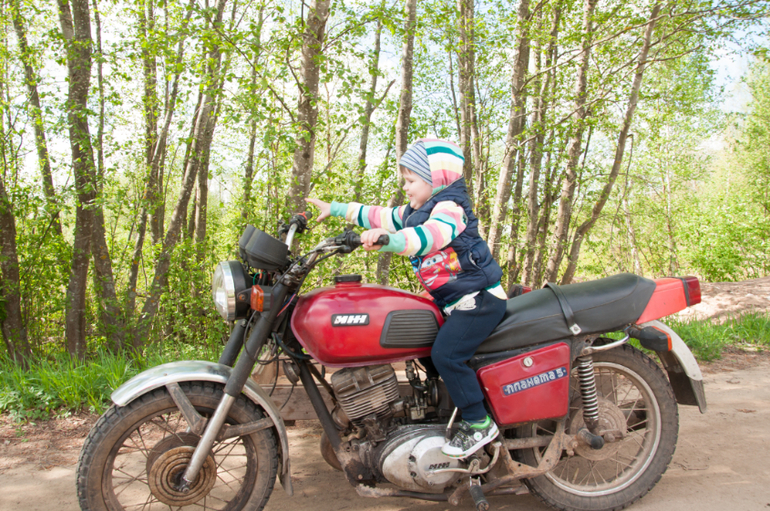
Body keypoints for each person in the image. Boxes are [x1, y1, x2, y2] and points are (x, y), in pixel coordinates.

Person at [306, 138, 507, 459]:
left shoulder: (450, 209)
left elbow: (427, 239)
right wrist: (337, 210)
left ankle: (478, 422)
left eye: (411, 180)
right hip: (456, 299)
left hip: (478, 299)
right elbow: (380, 215)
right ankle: (440, 411)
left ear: (436, 180)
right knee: (427, 349)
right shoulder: (417, 209)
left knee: (447, 356)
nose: (406, 187)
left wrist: (390, 240)